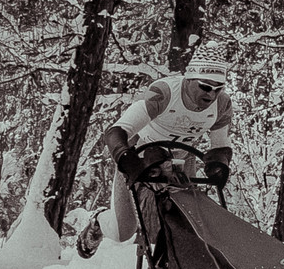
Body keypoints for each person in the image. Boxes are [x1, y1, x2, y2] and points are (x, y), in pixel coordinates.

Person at [75, 58, 233, 258]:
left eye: (218, 88)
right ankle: (98, 221)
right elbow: (115, 132)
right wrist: (125, 157)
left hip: (182, 158)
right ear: (189, 80)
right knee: (123, 231)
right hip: (140, 157)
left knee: (190, 223)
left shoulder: (223, 103)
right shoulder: (164, 93)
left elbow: (220, 145)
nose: (211, 95)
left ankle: (173, 267)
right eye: (205, 87)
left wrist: (219, 164)